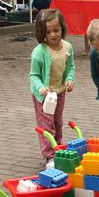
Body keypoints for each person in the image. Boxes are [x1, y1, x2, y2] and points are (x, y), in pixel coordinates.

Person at [29, 9, 75, 168]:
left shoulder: (68, 47)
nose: (53, 34)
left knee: (57, 121)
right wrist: (41, 88)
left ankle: (58, 148)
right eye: (49, 32)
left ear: (62, 28)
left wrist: (69, 79)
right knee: (46, 125)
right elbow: (33, 76)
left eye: (56, 30)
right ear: (43, 33)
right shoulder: (39, 52)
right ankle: (49, 155)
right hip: (44, 96)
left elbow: (71, 68)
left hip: (60, 92)